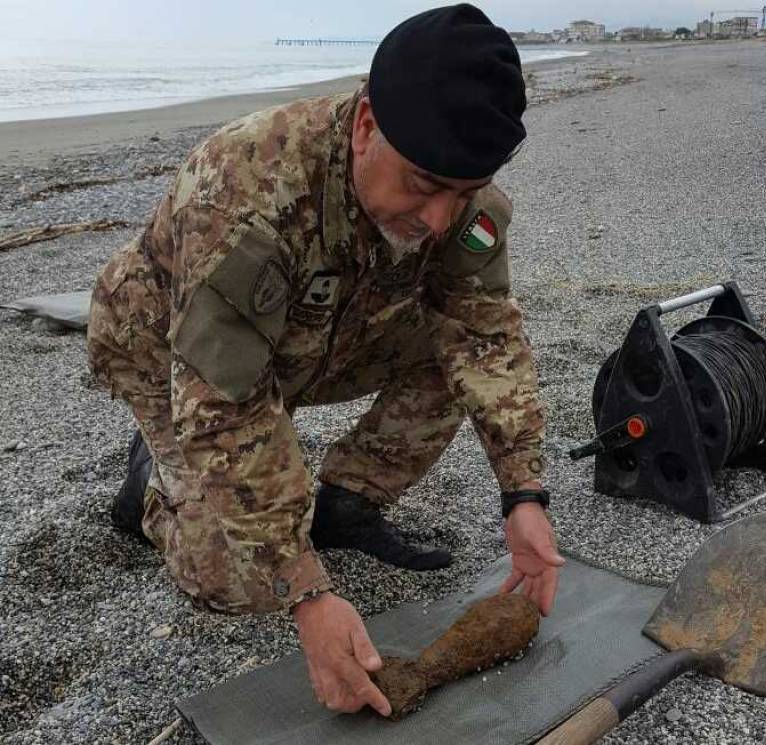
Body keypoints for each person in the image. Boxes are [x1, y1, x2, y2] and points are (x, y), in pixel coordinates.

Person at [87, 3, 563, 717]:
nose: (438, 219)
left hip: (312, 330)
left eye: (459, 194)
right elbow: (225, 404)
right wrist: (307, 589)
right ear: (366, 125)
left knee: (448, 350)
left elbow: (483, 333)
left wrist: (521, 493)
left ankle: (345, 501)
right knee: (235, 579)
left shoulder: (459, 197)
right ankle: (154, 483)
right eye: (424, 187)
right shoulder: (246, 190)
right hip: (170, 350)